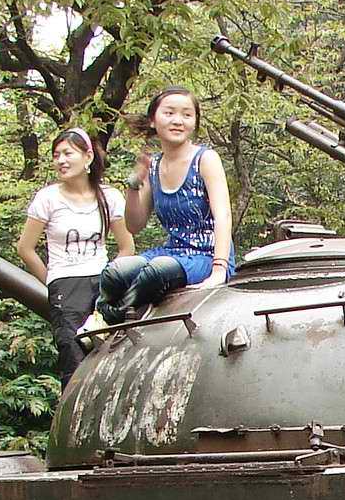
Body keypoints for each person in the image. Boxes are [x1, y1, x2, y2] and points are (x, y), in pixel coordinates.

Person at [96, 86, 236, 322]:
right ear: (153, 120)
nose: (178, 121)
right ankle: (105, 315)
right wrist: (134, 184)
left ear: (195, 122)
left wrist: (219, 269)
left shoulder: (205, 159)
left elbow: (223, 216)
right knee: (115, 272)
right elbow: (134, 225)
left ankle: (116, 316)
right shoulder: (154, 165)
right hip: (171, 252)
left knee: (157, 272)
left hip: (206, 255)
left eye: (187, 114)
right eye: (169, 113)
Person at [16, 127, 134, 381]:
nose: (61, 160)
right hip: (66, 287)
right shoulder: (48, 198)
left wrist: (112, 280)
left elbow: (127, 246)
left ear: (88, 157)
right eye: (56, 155)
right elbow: (25, 248)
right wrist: (53, 281)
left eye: (68, 153)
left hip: (103, 284)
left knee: (113, 355)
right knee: (74, 359)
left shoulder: (110, 197)